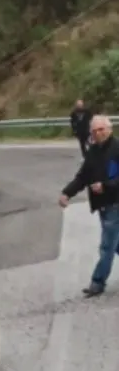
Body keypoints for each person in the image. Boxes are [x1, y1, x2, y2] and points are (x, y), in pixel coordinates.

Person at [59, 115, 119, 297]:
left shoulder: (117, 148)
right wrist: (66, 192)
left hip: (115, 203)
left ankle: (97, 282)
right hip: (102, 204)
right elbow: (83, 176)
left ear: (109, 129)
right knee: (116, 244)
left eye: (101, 129)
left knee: (107, 245)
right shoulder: (92, 151)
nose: (98, 133)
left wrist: (105, 186)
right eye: (94, 130)